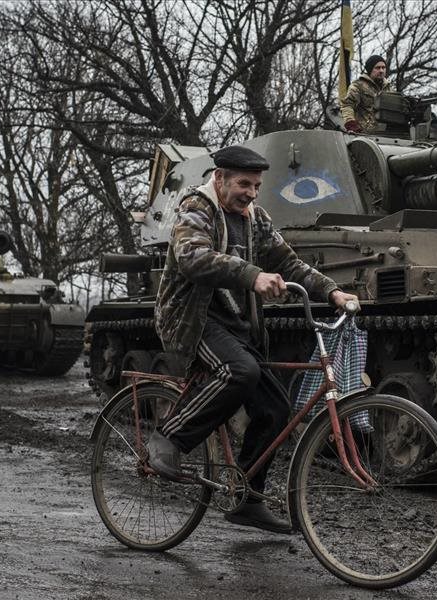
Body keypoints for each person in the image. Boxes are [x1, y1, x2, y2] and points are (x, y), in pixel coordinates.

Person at [148, 145, 360, 534]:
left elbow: (289, 262)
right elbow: (193, 258)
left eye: (257, 186)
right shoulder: (196, 208)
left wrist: (331, 291)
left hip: (235, 325)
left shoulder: (256, 219)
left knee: (276, 408)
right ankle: (168, 439)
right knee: (240, 371)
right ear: (220, 178)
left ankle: (248, 500)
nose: (251, 193)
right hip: (193, 320)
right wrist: (252, 275)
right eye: (244, 184)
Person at [341, 55, 394, 133]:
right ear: (370, 70)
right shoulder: (358, 86)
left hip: (385, 134)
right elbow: (347, 105)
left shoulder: (389, 89)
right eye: (377, 68)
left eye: (383, 67)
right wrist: (351, 124)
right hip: (363, 134)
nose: (381, 71)